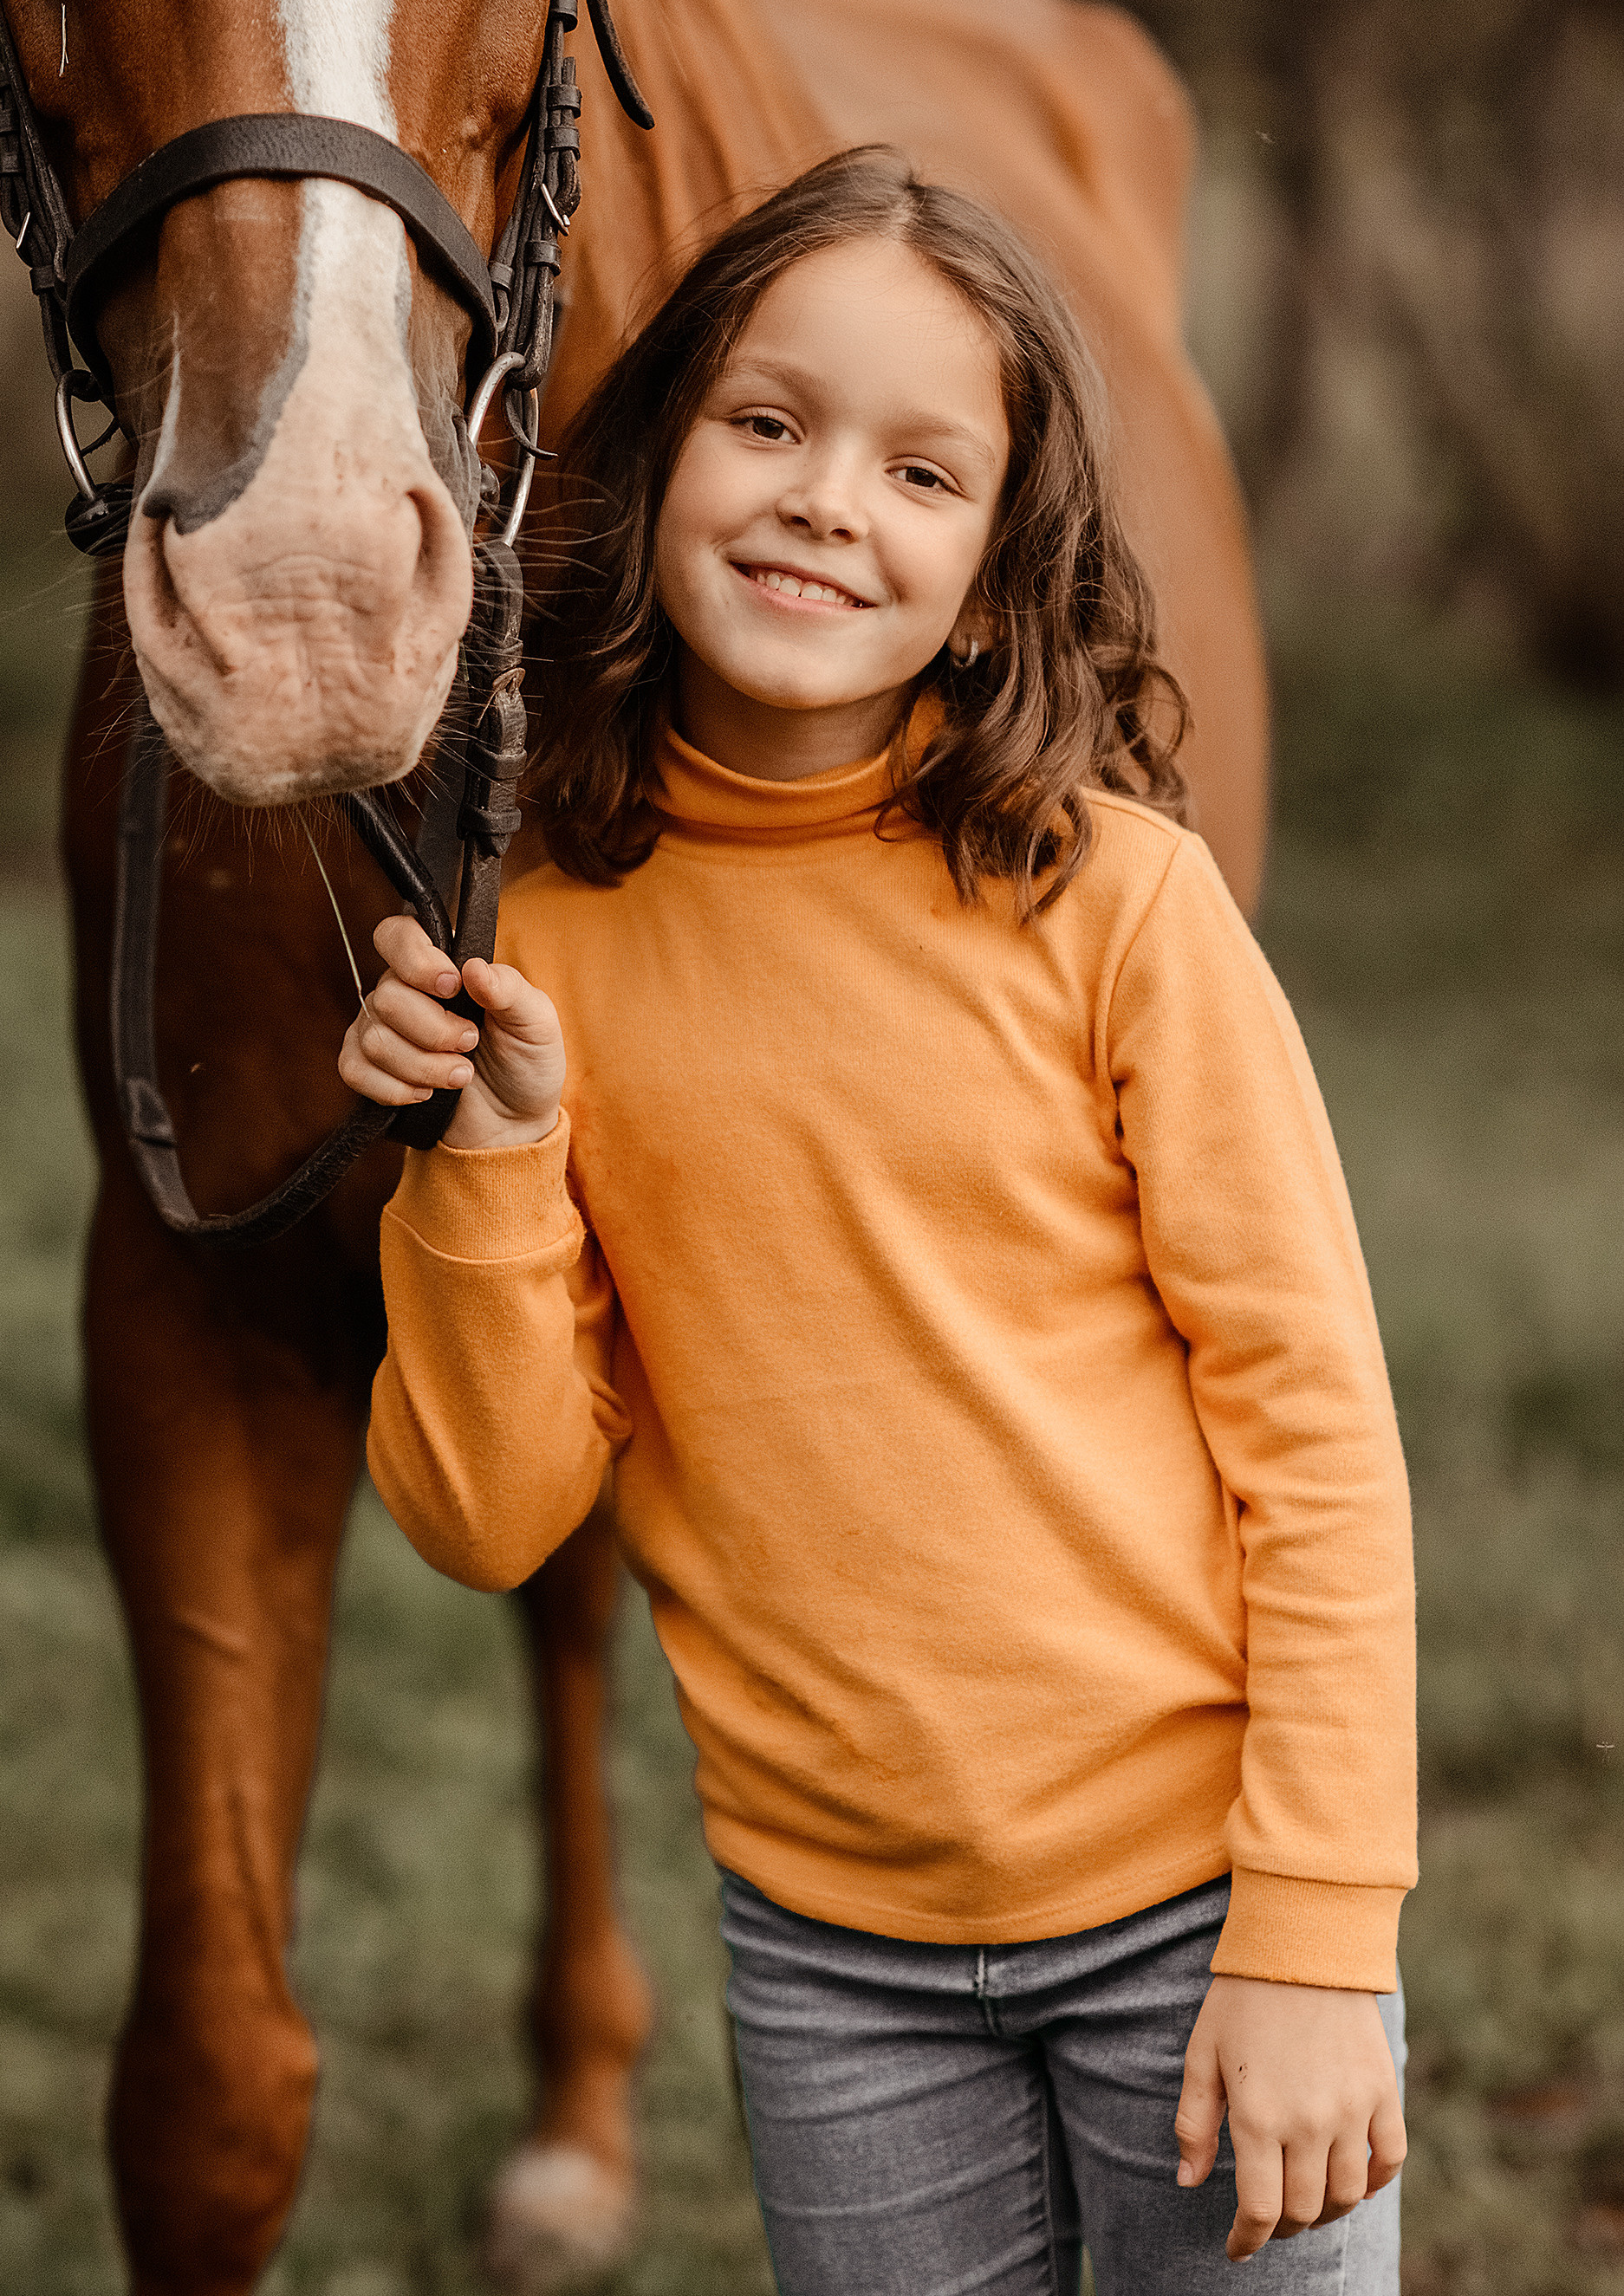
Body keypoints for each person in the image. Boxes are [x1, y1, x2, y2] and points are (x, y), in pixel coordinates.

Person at [337, 147, 1415, 2293]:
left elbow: (1312, 1435)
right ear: (653, 463)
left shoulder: (1112, 906)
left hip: (1204, 1913)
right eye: (768, 422)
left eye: (921, 470)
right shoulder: (541, 946)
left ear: (999, 573)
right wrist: (485, 1153)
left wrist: (1311, 1928)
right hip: (830, 1961)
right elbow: (480, 1513)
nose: (829, 497)